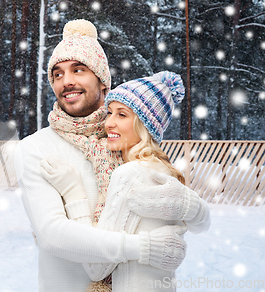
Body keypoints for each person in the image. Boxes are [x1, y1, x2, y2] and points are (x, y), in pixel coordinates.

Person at [14, 19, 209, 292]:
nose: (66, 81)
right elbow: (53, 235)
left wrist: (190, 207)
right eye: (57, 74)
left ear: (103, 83)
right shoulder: (35, 148)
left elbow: (175, 211)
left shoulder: (125, 140)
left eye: (78, 70)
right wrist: (143, 248)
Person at [40, 71, 211, 291]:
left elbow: (96, 266)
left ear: (145, 126)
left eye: (122, 115)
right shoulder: (163, 172)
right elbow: (202, 224)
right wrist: (194, 207)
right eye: (109, 112)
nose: (108, 123)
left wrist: (74, 192)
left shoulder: (130, 174)